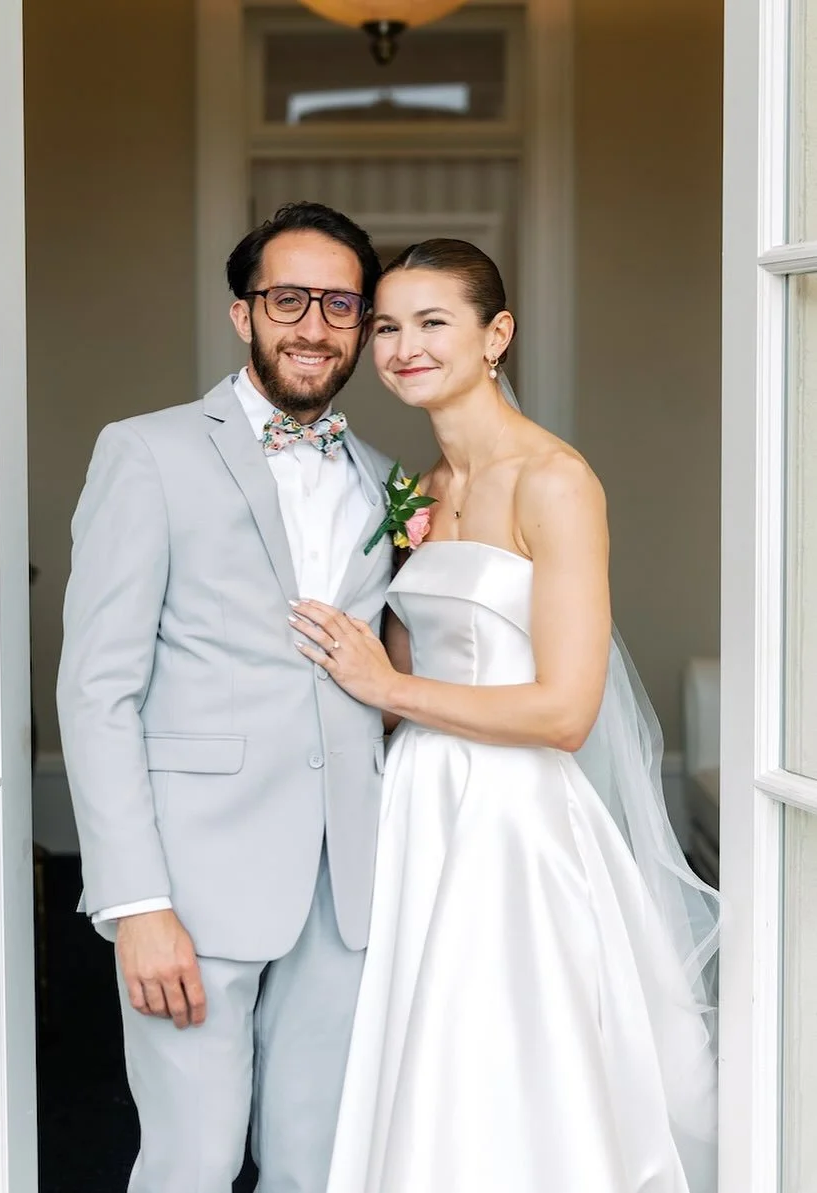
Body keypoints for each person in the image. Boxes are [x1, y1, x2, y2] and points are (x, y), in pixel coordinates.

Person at [291, 239, 720, 1193]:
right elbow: (409, 659)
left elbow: (567, 709)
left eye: (432, 322)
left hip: (511, 822)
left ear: (497, 335)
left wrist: (386, 687)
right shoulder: (424, 489)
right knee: (417, 1060)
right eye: (387, 325)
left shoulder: (554, 481)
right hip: (419, 804)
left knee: (502, 1066)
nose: (403, 346)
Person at [56, 202, 395, 1193]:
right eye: (288, 298)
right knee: (192, 1162)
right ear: (243, 313)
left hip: (349, 886)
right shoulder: (147, 451)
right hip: (193, 885)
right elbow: (99, 686)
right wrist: (137, 901)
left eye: (341, 303)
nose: (315, 325)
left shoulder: (386, 480)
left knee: (317, 1161)